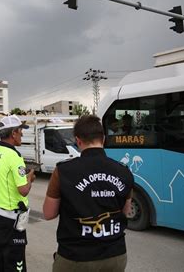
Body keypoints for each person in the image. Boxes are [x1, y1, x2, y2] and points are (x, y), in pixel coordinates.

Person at [43, 115, 134, 272]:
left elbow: (48, 213)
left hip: (75, 258)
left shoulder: (63, 171)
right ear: (103, 139)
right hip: (115, 256)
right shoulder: (124, 171)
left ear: (78, 141)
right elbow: (126, 211)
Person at [0, 115, 36, 272]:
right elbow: (23, 190)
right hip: (12, 221)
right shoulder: (14, 156)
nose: (22, 135)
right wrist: (29, 177)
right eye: (20, 131)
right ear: (13, 134)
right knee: (16, 265)